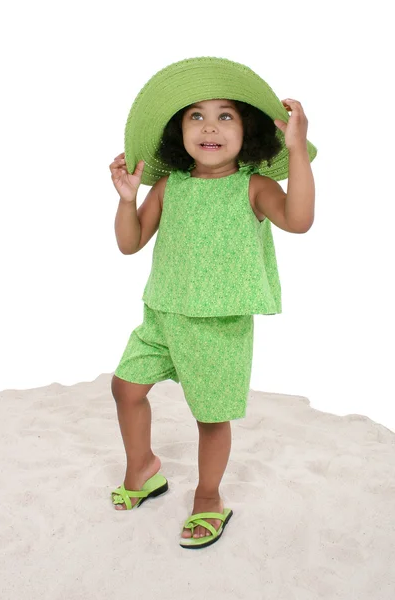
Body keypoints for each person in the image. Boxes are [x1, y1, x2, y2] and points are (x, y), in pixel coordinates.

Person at [108, 57, 317, 549]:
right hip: (161, 311)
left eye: (226, 116)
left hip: (218, 322)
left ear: (249, 132)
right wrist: (125, 199)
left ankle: (208, 497)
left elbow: (299, 219)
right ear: (178, 131)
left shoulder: (254, 186)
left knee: (210, 416)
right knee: (126, 388)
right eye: (195, 116)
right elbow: (130, 242)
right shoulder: (170, 185)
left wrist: (298, 154)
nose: (209, 127)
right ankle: (143, 468)